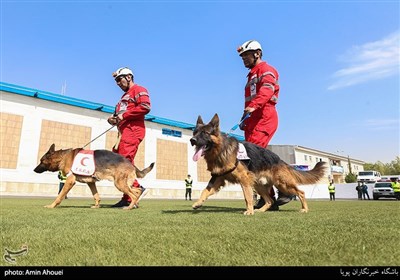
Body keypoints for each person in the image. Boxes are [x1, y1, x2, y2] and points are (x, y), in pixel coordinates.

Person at [237, 39, 294, 211]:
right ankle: (269, 199)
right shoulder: (252, 75)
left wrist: (254, 106)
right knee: (254, 159)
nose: (244, 60)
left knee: (253, 158)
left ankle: (286, 190)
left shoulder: (267, 70)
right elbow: (251, 102)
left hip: (265, 117)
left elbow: (266, 91)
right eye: (242, 57)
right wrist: (245, 119)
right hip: (253, 120)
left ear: (257, 54)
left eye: (246, 56)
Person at [108, 67, 151, 208]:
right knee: (119, 163)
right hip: (122, 132)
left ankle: (137, 189)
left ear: (128, 77)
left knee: (125, 162)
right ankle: (128, 196)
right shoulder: (123, 97)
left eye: (119, 80)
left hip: (133, 130)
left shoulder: (139, 89)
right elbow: (119, 114)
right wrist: (114, 119)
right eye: (116, 82)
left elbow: (145, 106)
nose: (118, 84)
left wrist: (124, 115)